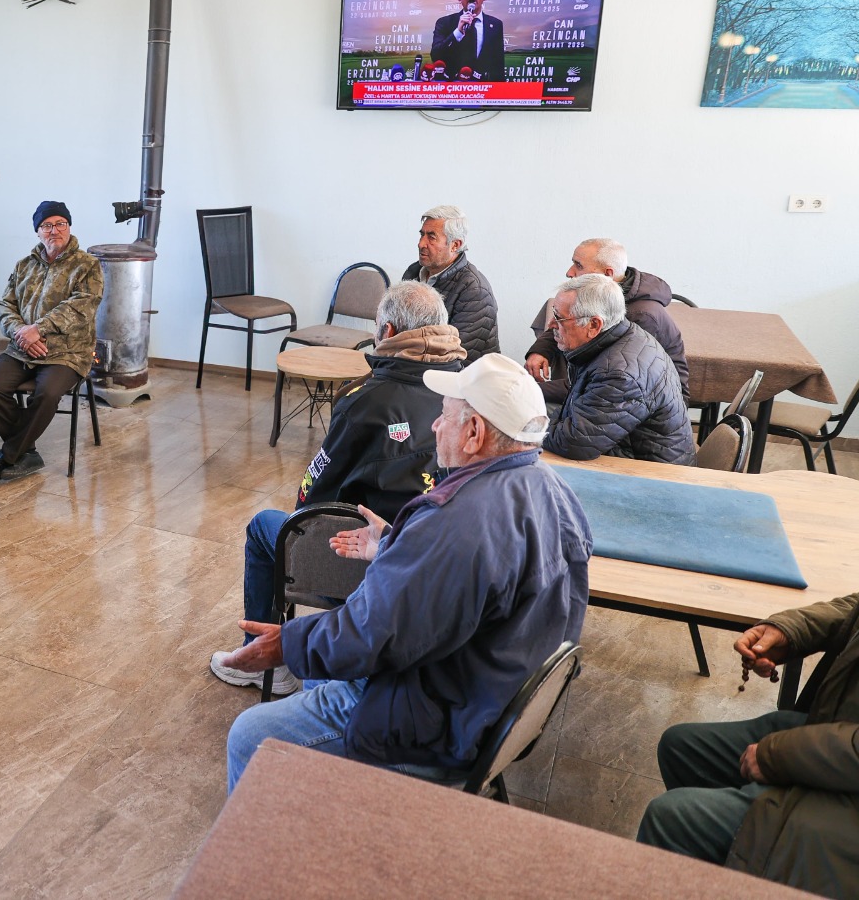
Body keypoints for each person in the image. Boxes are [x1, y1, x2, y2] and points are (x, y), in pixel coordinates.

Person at [222, 354, 592, 792]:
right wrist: (399, 544)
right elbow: (470, 587)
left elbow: (369, 636)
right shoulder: (557, 493)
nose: (435, 426)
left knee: (249, 735)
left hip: (437, 726)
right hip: (487, 696)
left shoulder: (453, 523)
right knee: (321, 666)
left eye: (445, 416)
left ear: (474, 433)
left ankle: (273, 851)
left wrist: (285, 643)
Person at [209, 281, 466, 695]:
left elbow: (315, 491)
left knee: (266, 526)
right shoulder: (464, 388)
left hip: (366, 556)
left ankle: (259, 657)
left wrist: (302, 519)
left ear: (388, 331)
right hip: (434, 558)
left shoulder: (367, 399)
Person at [637, 594, 859, 897]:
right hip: (834, 732)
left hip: (847, 799)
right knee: (681, 748)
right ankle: (726, 871)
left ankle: (748, 855)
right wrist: (788, 630)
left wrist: (776, 755)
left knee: (671, 817)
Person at [0, 201, 103, 486]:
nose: (54, 230)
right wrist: (22, 332)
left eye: (61, 223)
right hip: (23, 348)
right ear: (38, 232)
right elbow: (5, 304)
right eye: (47, 225)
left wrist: (39, 329)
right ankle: (27, 452)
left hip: (67, 353)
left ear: (69, 227)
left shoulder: (87, 265)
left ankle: (7, 457)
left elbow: (82, 305)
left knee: (46, 394)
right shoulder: (24, 265)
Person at [541, 274, 696, 465]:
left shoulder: (619, 374)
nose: (551, 325)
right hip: (624, 447)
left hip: (648, 476)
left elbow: (574, 443)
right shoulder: (624, 334)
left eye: (559, 317)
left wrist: (525, 425)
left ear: (594, 325)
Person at [525, 238, 688, 402]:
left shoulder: (642, 315)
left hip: (645, 403)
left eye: (579, 266)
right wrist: (541, 350)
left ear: (607, 274)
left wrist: (525, 389)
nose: (569, 272)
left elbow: (600, 381)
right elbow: (565, 323)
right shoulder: (599, 295)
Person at [400, 205, 498, 361]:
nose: (421, 244)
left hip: (461, 377)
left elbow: (456, 354)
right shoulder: (413, 272)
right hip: (415, 366)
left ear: (455, 245)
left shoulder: (475, 290)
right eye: (422, 235)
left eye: (431, 237)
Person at [430, 0, 505, 82]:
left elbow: (498, 65)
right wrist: (458, 33)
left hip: (484, 92)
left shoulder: (496, 25)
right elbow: (436, 56)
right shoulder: (444, 23)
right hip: (452, 91)